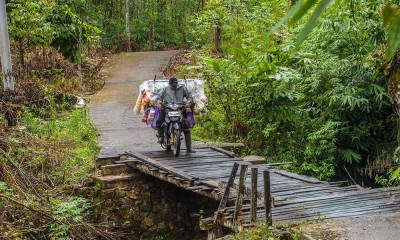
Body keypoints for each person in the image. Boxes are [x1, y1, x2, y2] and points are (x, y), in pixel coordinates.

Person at [156, 77, 196, 153]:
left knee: (186, 126)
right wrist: (159, 103)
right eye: (172, 85)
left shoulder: (182, 88)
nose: (174, 86)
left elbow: (190, 96)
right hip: (167, 109)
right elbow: (158, 97)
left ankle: (189, 148)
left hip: (179, 109)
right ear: (169, 84)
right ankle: (161, 136)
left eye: (175, 85)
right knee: (159, 121)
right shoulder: (165, 90)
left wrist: (188, 102)